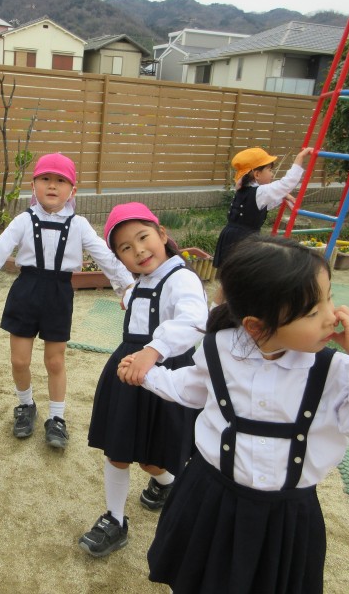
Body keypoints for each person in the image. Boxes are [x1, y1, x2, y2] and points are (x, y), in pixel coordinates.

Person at [121, 235, 349, 593]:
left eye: (329, 297)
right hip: (210, 498)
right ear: (256, 326)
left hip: (285, 516)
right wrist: (147, 375)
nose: (332, 317)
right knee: (198, 582)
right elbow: (193, 387)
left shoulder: (336, 373)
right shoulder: (220, 348)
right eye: (312, 312)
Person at [0, 153, 134, 448]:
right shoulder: (23, 221)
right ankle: (25, 405)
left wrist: (128, 286)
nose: (52, 186)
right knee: (19, 360)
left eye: (60, 181)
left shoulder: (79, 225)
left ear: (72, 190)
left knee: (55, 361)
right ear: (33, 185)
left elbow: (106, 257)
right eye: (45, 179)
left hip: (59, 294)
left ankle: (56, 418)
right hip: (25, 291)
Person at [79, 202, 208, 558]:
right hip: (127, 374)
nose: (137, 250)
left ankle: (168, 484)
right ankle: (115, 519)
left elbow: (195, 319)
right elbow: (132, 295)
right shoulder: (140, 282)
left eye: (143, 237)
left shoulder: (182, 278)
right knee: (118, 450)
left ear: (162, 234)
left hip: (166, 376)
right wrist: (129, 296)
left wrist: (154, 351)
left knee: (155, 457)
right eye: (125, 247)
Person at [213, 146, 314, 270]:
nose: (272, 174)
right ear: (257, 174)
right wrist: (300, 158)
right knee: (242, 273)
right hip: (243, 240)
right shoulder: (259, 192)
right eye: (269, 170)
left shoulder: (246, 189)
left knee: (230, 273)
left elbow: (263, 205)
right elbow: (286, 184)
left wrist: (283, 196)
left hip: (231, 236)